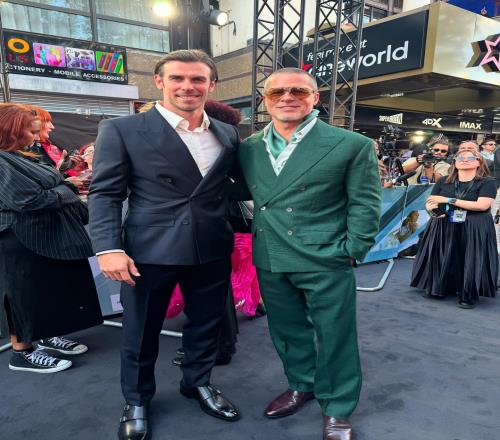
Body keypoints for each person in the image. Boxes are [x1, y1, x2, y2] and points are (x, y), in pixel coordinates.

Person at [88, 49, 242, 440]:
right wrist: (108, 248)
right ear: (159, 82)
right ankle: (137, 399)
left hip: (211, 245)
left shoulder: (226, 133)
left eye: (197, 79)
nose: (188, 86)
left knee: (207, 324)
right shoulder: (121, 129)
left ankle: (197, 382)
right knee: (140, 331)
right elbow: (105, 193)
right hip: (150, 249)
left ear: (211, 85)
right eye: (177, 78)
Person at [238, 68, 381, 440]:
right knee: (286, 330)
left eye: (298, 90)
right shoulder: (249, 147)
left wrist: (353, 250)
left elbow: (365, 204)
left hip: (325, 256)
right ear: (265, 100)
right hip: (270, 254)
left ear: (315, 98)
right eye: (277, 92)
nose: (287, 97)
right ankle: (301, 384)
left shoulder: (350, 144)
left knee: (336, 335)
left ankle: (338, 407)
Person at [0, 103, 102, 373]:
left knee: (43, 291)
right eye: (30, 130)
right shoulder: (3, 160)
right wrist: (67, 188)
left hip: (37, 234)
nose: (36, 136)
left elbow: (40, 187)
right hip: (19, 237)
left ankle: (44, 335)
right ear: (10, 130)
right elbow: (26, 200)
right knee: (22, 295)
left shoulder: (17, 155)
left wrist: (62, 178)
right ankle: (22, 352)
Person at [411, 148, 497, 308]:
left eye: (470, 158)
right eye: (460, 158)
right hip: (444, 223)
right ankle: (440, 288)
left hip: (474, 225)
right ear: (455, 162)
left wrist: (448, 200)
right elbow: (431, 201)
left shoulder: (488, 182)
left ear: (479, 162)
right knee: (443, 254)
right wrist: (434, 211)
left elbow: (482, 205)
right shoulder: (444, 180)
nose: (465, 160)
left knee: (470, 258)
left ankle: (467, 294)